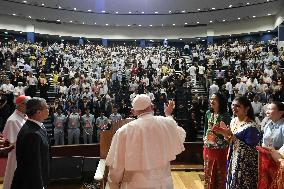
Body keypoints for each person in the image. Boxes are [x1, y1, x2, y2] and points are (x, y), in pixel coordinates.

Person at [106, 94, 186, 188]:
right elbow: (179, 135)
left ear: (133, 111)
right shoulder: (167, 123)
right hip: (164, 184)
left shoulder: (124, 131)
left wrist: (113, 184)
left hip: (135, 185)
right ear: (152, 107)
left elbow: (117, 167)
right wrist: (168, 114)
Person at [213, 96, 261, 189]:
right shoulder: (234, 120)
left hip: (245, 166)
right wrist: (225, 134)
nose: (234, 108)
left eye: (238, 106)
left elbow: (252, 151)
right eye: (233, 105)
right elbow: (230, 140)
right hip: (233, 158)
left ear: (246, 108)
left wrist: (230, 135)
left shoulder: (251, 127)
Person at [11, 97, 50, 189]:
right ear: (38, 112)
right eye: (47, 108)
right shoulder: (32, 134)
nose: (49, 110)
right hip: (30, 184)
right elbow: (33, 166)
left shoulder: (37, 127)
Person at [203, 93, 231, 189]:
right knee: (208, 171)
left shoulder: (226, 115)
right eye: (211, 99)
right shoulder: (208, 113)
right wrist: (205, 138)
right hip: (208, 147)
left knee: (219, 172)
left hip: (220, 149)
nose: (212, 101)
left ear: (220, 102)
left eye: (215, 99)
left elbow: (228, 133)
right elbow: (206, 128)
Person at [2, 95, 30, 189]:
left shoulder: (24, 116)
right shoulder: (13, 120)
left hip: (25, 154)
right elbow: (15, 141)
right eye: (28, 104)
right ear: (20, 105)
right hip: (17, 155)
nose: (30, 106)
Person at [257, 101, 284, 189]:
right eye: (267, 109)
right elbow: (264, 141)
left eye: (271, 109)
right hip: (267, 159)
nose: (267, 111)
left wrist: (277, 155)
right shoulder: (268, 124)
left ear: (280, 112)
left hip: (279, 159)